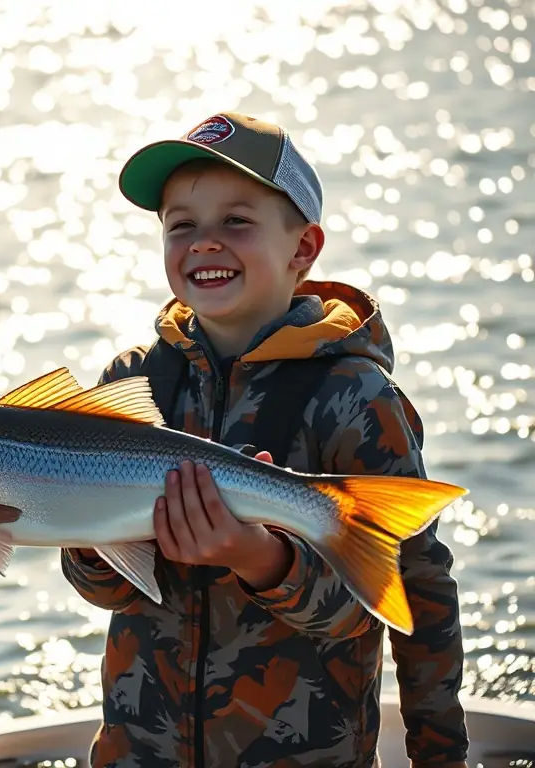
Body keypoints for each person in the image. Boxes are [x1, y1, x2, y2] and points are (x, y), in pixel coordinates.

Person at [61, 112, 468, 767]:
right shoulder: (128, 384)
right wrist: (86, 536)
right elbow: (104, 587)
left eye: (237, 222)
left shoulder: (355, 398)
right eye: (181, 225)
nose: (204, 243)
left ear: (303, 249)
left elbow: (411, 598)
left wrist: (262, 560)